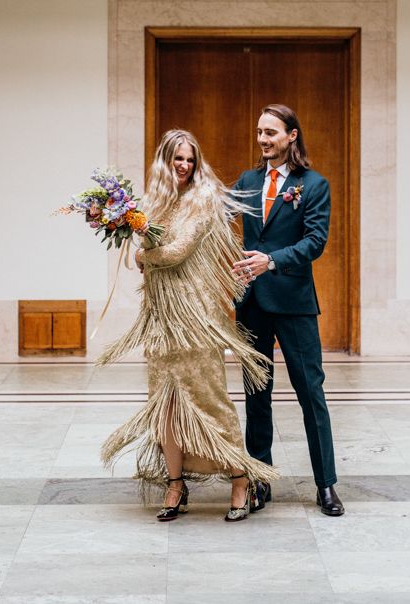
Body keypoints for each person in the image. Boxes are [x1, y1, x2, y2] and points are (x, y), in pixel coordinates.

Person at [98, 129, 279, 523]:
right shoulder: (151, 204)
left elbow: (177, 252)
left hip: (196, 318)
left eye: (189, 160)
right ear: (164, 161)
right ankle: (176, 484)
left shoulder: (203, 199)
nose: (184, 166)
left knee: (210, 399)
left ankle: (239, 478)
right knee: (165, 405)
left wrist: (147, 252)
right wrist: (140, 244)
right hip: (161, 320)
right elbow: (135, 258)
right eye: (177, 159)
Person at [232, 104, 344, 516]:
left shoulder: (313, 185)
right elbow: (206, 215)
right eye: (259, 132)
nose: (263, 139)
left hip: (294, 305)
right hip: (251, 305)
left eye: (271, 132)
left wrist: (271, 260)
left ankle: (326, 485)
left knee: (310, 394)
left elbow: (315, 242)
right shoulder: (245, 182)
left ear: (292, 135)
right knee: (255, 395)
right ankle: (260, 480)